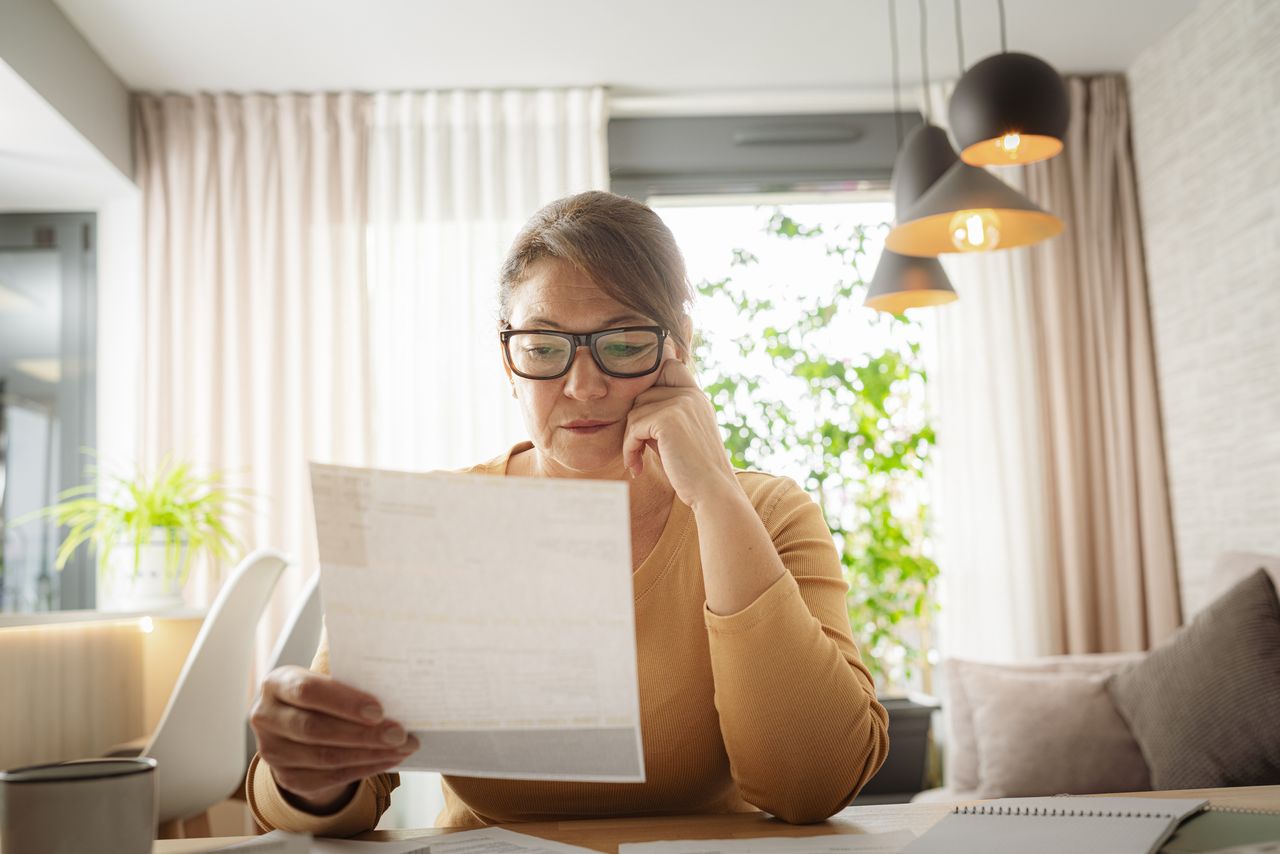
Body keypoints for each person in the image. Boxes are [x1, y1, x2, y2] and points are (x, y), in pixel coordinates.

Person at [247, 191, 889, 835]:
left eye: (623, 341)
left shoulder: (768, 513)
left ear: (679, 347)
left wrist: (716, 497)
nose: (583, 386)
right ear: (509, 359)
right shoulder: (433, 523)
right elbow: (328, 791)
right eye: (546, 347)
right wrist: (311, 777)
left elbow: (814, 784)